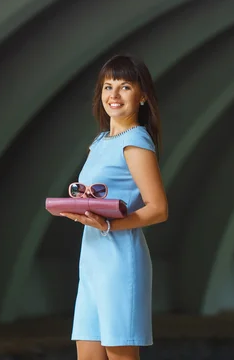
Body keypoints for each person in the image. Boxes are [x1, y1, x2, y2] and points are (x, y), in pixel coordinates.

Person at [60, 53, 168, 360]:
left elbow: (158, 208)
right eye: (108, 87)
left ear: (142, 96)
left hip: (120, 263)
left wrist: (109, 225)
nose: (114, 95)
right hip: (93, 260)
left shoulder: (136, 142)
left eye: (125, 87)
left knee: (120, 354)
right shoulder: (100, 142)